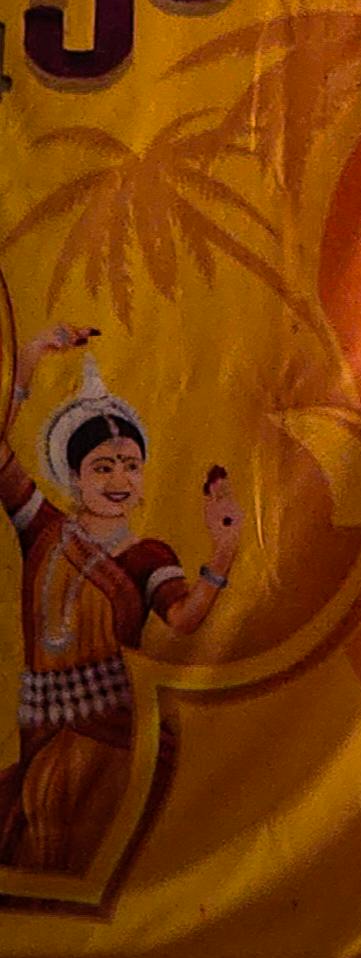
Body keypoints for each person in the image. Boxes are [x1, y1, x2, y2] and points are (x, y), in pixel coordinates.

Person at [1, 325, 239, 880]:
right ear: (73, 478)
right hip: (42, 730)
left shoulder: (145, 555)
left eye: (130, 464)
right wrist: (30, 361)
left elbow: (183, 619)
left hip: (106, 737)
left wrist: (223, 553)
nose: (119, 479)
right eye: (102, 467)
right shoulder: (41, 528)